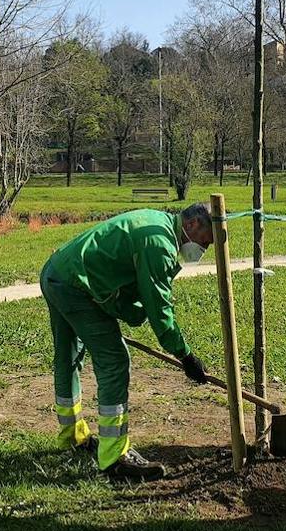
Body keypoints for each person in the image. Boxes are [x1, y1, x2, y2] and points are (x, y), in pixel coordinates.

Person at [40, 204, 213, 482]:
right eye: (205, 241)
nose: (203, 250)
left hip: (57, 272)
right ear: (192, 224)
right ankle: (114, 458)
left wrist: (133, 312)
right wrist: (185, 355)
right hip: (75, 286)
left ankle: (72, 437)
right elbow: (159, 310)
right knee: (114, 361)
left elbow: (132, 292)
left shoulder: (156, 222)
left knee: (68, 357)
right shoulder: (159, 243)